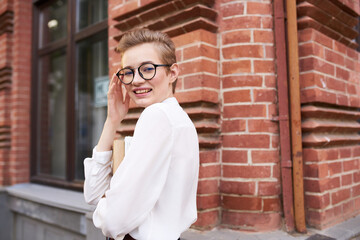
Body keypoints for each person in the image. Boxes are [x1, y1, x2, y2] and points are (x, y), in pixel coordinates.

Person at [83, 29, 199, 240]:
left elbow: (112, 220)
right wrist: (112, 121)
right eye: (128, 72)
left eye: (147, 69)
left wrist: (108, 205)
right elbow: (93, 193)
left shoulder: (157, 116)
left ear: (172, 73)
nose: (135, 80)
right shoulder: (179, 120)